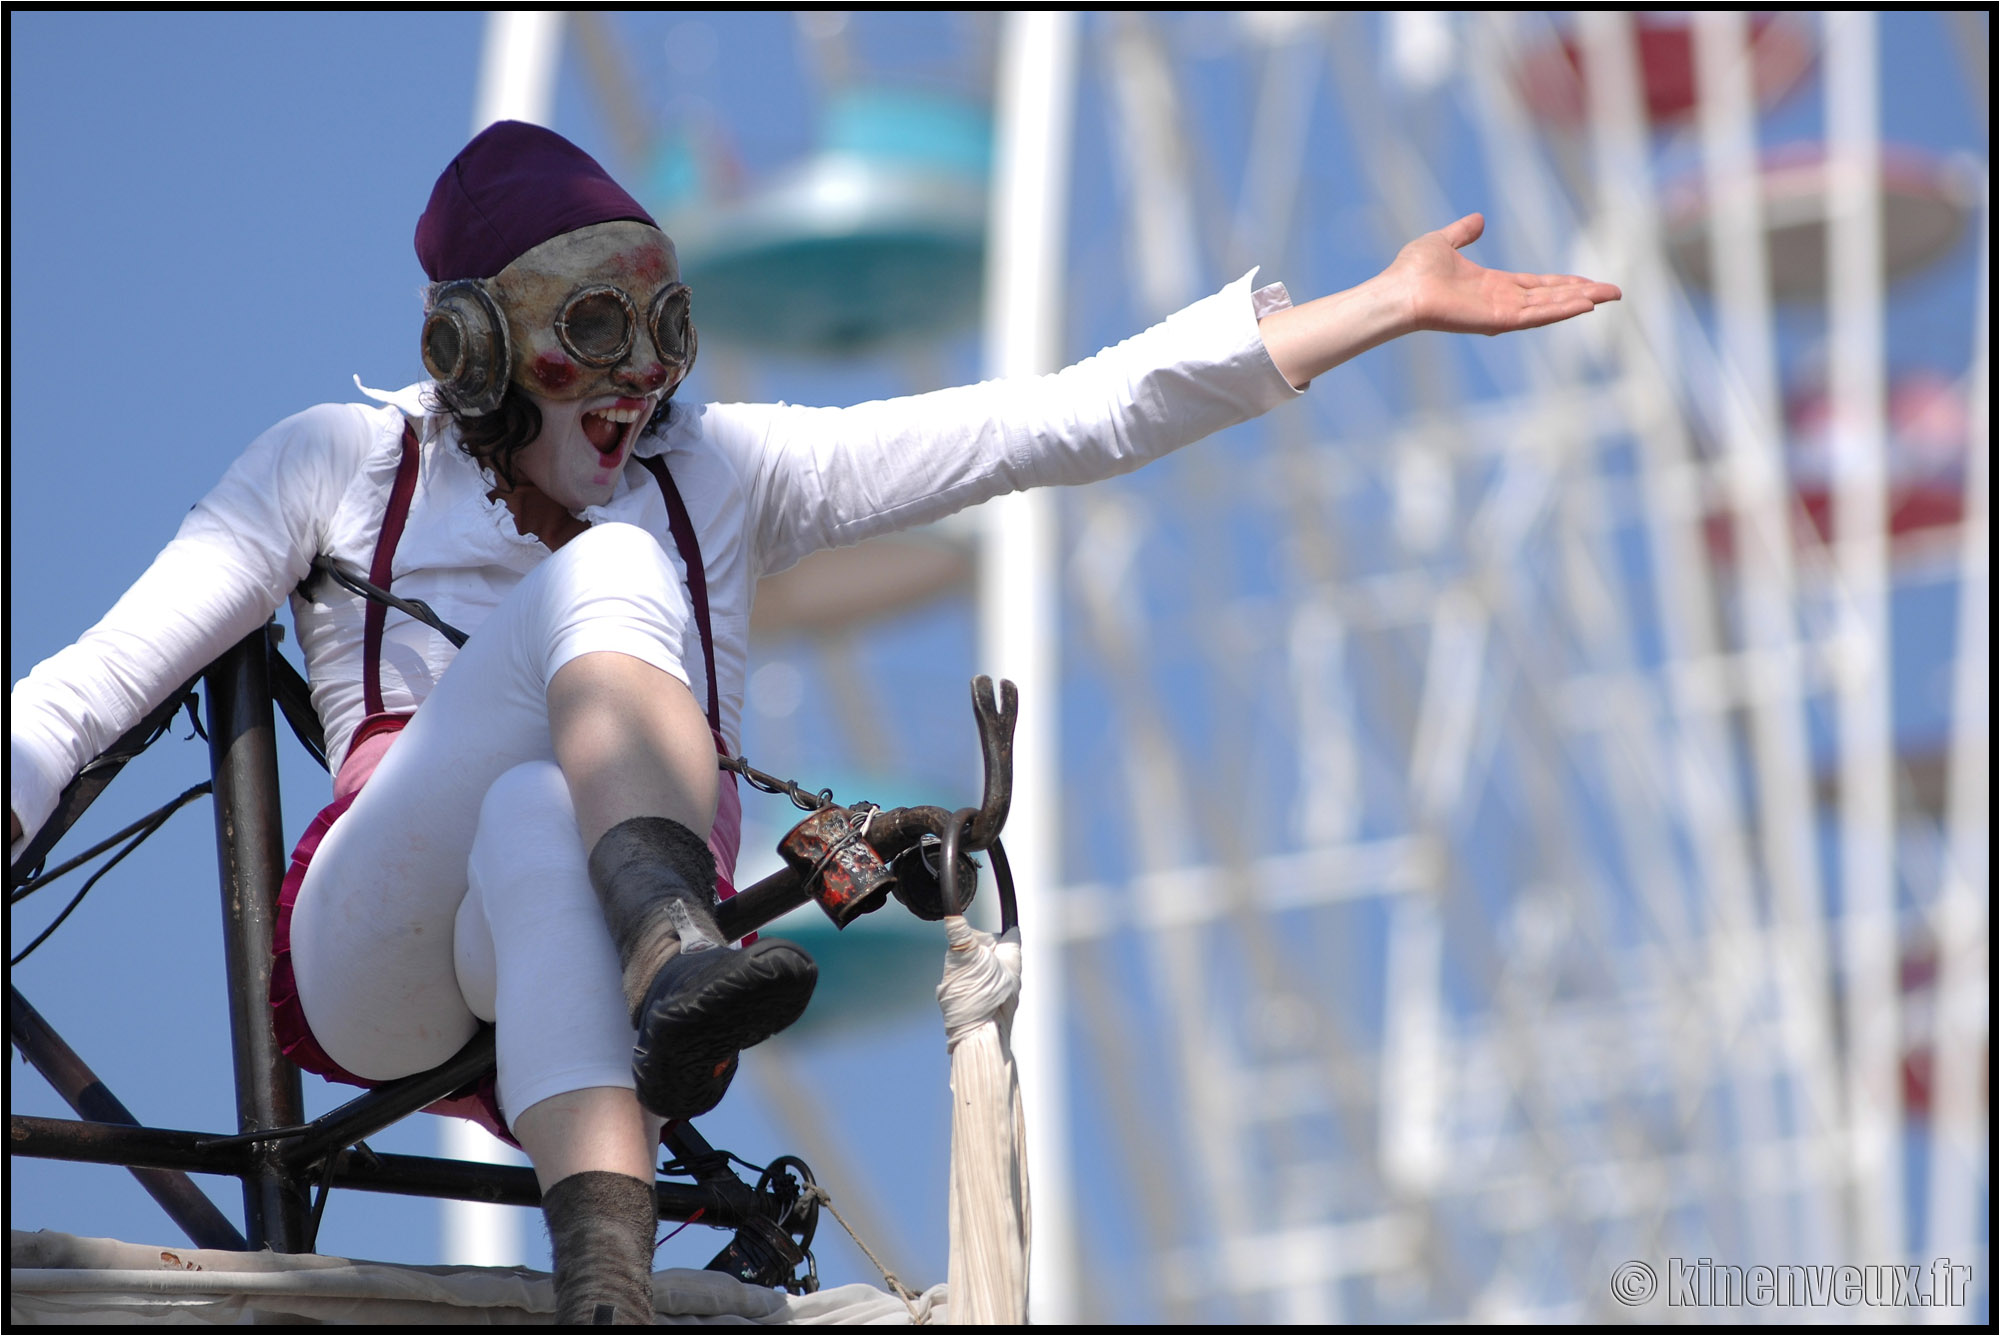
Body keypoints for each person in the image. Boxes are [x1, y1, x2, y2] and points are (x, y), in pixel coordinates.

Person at [7, 120, 1618, 1324]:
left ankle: (606, 1281)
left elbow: (1051, 421)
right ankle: (665, 952)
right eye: (590, 353)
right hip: (376, 941)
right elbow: (88, 692)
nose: (636, 397)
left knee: (532, 812)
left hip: (537, 918)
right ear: (478, 353)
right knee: (602, 584)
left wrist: (1379, 308)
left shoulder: (721, 468)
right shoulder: (343, 463)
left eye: (664, 342)